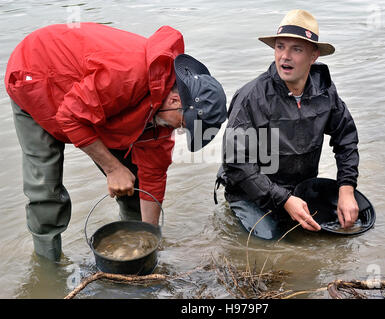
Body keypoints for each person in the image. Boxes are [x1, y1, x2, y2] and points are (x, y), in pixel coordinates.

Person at [5, 23, 227, 261]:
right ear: (175, 100)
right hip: (35, 77)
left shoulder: (162, 116)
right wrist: (112, 168)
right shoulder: (128, 74)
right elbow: (69, 117)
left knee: (133, 182)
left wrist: (149, 240)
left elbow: (152, 177)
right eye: (184, 124)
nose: (179, 132)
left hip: (93, 103)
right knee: (46, 190)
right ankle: (49, 267)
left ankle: (132, 249)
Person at [218, 10, 359, 240]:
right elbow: (236, 163)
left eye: (296, 49)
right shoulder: (251, 97)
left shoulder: (325, 92)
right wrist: (283, 199)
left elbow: (346, 138)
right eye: (280, 47)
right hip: (250, 192)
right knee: (270, 239)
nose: (285, 56)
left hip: (299, 190)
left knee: (339, 230)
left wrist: (346, 188)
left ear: (314, 56)